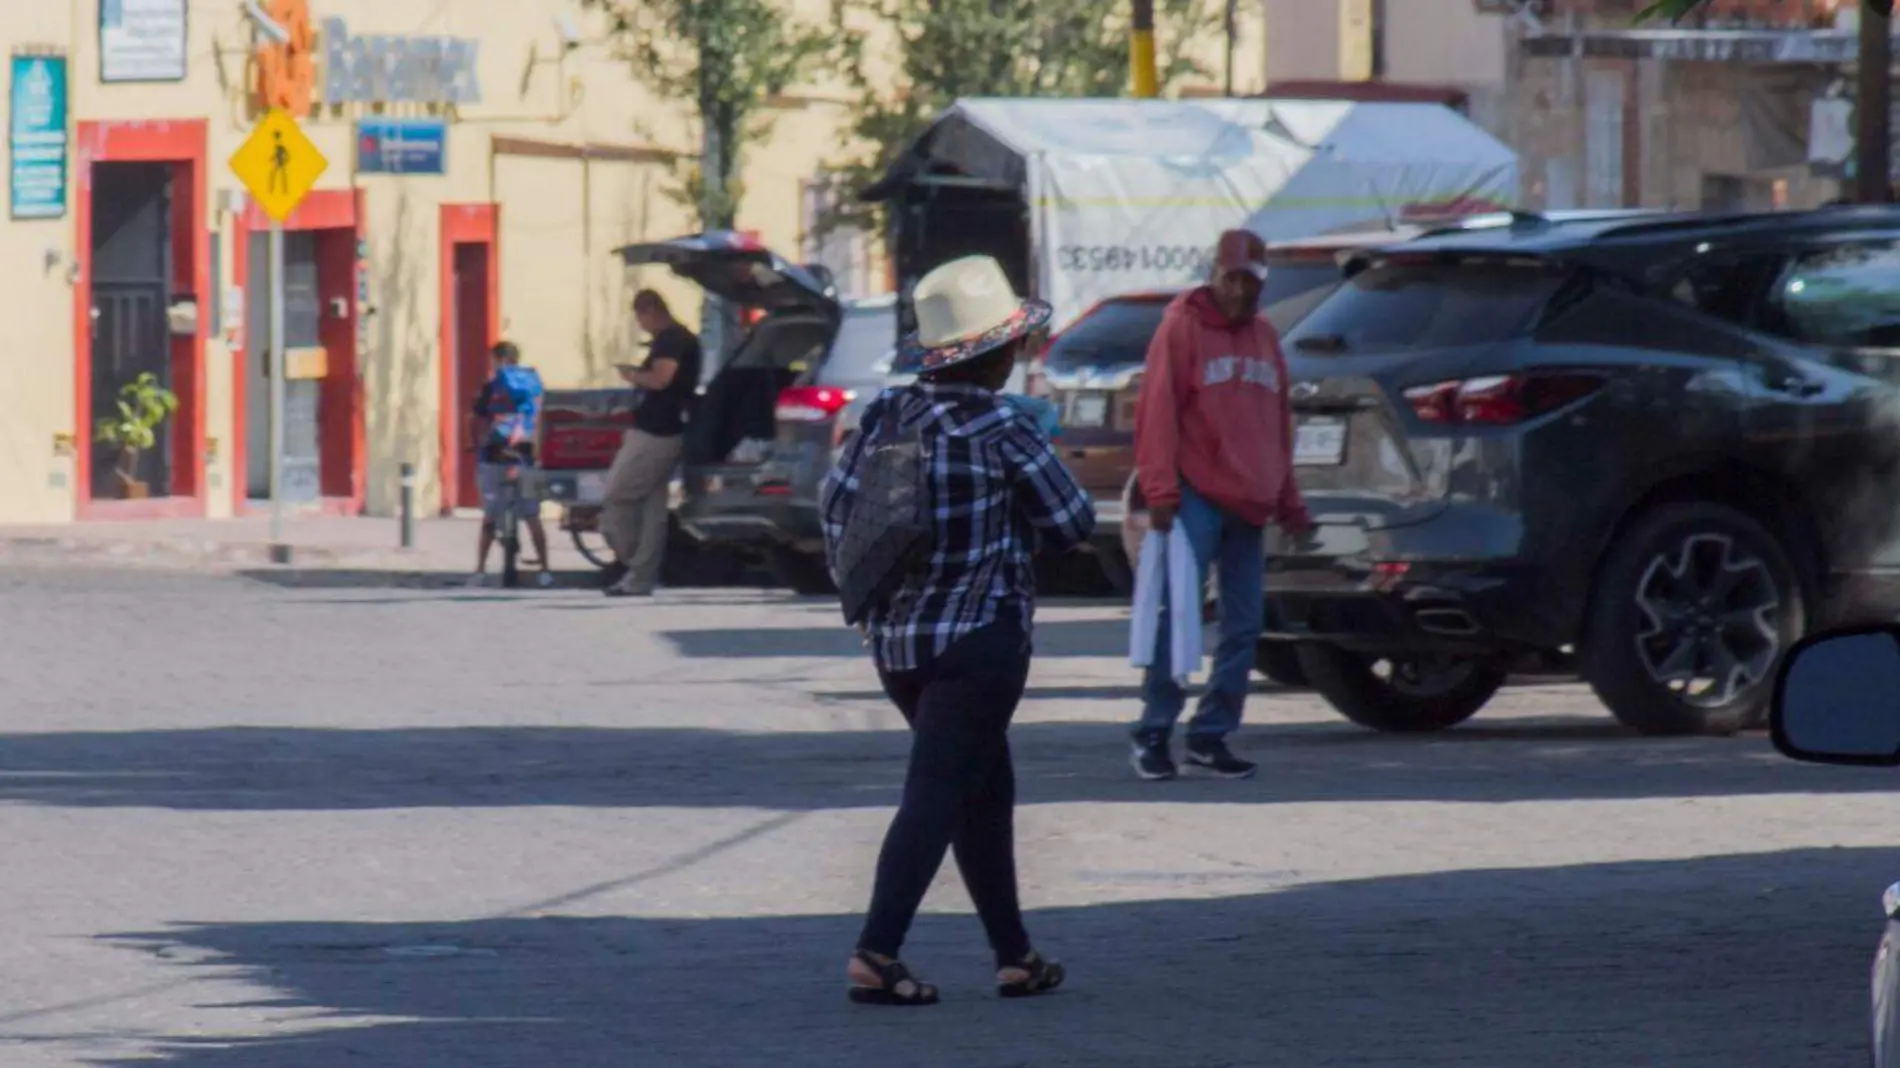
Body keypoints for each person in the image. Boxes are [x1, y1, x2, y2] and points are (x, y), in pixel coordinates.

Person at [821, 254, 1095, 1007]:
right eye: (1012, 344)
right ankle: (877, 952)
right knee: (941, 792)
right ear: (994, 351)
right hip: (980, 642)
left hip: (899, 648)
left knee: (984, 788)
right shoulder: (1001, 426)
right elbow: (1071, 523)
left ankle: (1016, 955)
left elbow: (837, 512)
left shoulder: (885, 416)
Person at [1128, 229, 1313, 781]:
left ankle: (1212, 734)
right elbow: (1156, 412)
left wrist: (1290, 500)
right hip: (1195, 498)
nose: (1241, 291)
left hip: (1250, 503)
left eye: (1251, 282)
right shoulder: (1181, 328)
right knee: (1178, 617)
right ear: (1215, 274)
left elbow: (1277, 423)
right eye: (1232, 278)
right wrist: (1160, 490)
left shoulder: (1264, 336)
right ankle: (1154, 731)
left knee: (1244, 625)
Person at [601, 290, 702, 597]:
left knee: (618, 496)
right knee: (652, 507)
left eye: (639, 317)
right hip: (667, 428)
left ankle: (635, 562)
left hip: (657, 431)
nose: (640, 324)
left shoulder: (671, 339)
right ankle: (640, 578)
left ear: (649, 311)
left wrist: (631, 374)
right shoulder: (680, 339)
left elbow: (661, 379)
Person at [471, 341, 555, 588]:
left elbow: (477, 417)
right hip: (526, 457)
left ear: (498, 359)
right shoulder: (534, 385)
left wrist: (475, 443)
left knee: (489, 517)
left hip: (495, 456)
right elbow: (540, 419)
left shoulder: (492, 385)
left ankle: (480, 570)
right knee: (532, 516)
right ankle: (545, 570)